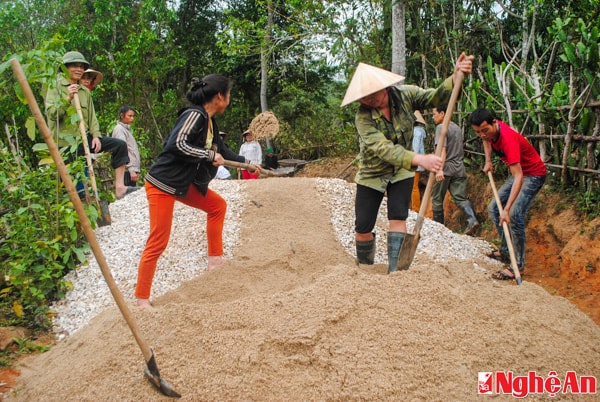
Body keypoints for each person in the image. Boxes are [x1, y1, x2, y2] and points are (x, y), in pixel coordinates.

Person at [341, 53, 474, 274]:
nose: (369, 101)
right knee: (363, 225)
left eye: (372, 96)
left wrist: (455, 77)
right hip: (372, 172)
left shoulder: (406, 95)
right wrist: (420, 159)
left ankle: (396, 273)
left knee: (398, 216)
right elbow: (383, 149)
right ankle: (365, 271)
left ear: (383, 88)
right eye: (364, 99)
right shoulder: (363, 117)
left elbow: (437, 99)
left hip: (402, 171)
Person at [135, 75, 261, 308]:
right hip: (162, 184)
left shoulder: (210, 122)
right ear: (220, 96)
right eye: (229, 95)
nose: (229, 99)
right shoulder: (195, 115)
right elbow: (177, 144)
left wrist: (248, 163)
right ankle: (142, 298)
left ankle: (215, 261)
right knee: (158, 240)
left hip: (182, 184)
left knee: (217, 206)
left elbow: (223, 150)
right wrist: (209, 155)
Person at [44, 51, 136, 199]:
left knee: (119, 145)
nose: (79, 69)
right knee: (75, 185)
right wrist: (67, 98)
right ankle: (80, 207)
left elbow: (92, 117)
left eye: (81, 66)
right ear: (65, 67)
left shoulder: (84, 91)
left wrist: (96, 136)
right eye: (74, 66)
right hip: (65, 143)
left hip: (84, 138)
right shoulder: (55, 87)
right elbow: (52, 115)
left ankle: (120, 188)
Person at [469, 108, 547, 281]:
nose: (482, 135)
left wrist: (508, 208)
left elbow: (518, 176)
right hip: (520, 174)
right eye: (478, 132)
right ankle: (505, 251)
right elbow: (486, 141)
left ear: (494, 123)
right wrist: (488, 161)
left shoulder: (508, 140)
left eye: (485, 130)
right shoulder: (488, 134)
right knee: (494, 208)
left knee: (514, 214)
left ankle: (517, 265)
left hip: (533, 175)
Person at [431, 104, 479, 235]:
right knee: (460, 198)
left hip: (445, 168)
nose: (432, 117)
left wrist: (440, 169)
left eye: (434, 114)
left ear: (442, 114)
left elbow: (443, 149)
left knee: (436, 199)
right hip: (459, 168)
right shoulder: (457, 128)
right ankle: (472, 219)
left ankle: (438, 230)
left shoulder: (441, 127)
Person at [111, 105, 141, 186]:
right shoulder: (119, 130)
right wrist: (131, 169)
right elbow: (123, 150)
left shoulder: (125, 130)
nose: (132, 118)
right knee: (127, 195)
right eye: (129, 116)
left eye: (133, 116)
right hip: (126, 171)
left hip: (129, 171)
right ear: (122, 115)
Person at [411, 111, 427, 212]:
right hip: (419, 162)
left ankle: (415, 209)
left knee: (414, 187)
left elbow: (415, 149)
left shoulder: (416, 131)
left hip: (415, 162)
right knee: (414, 186)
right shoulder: (420, 130)